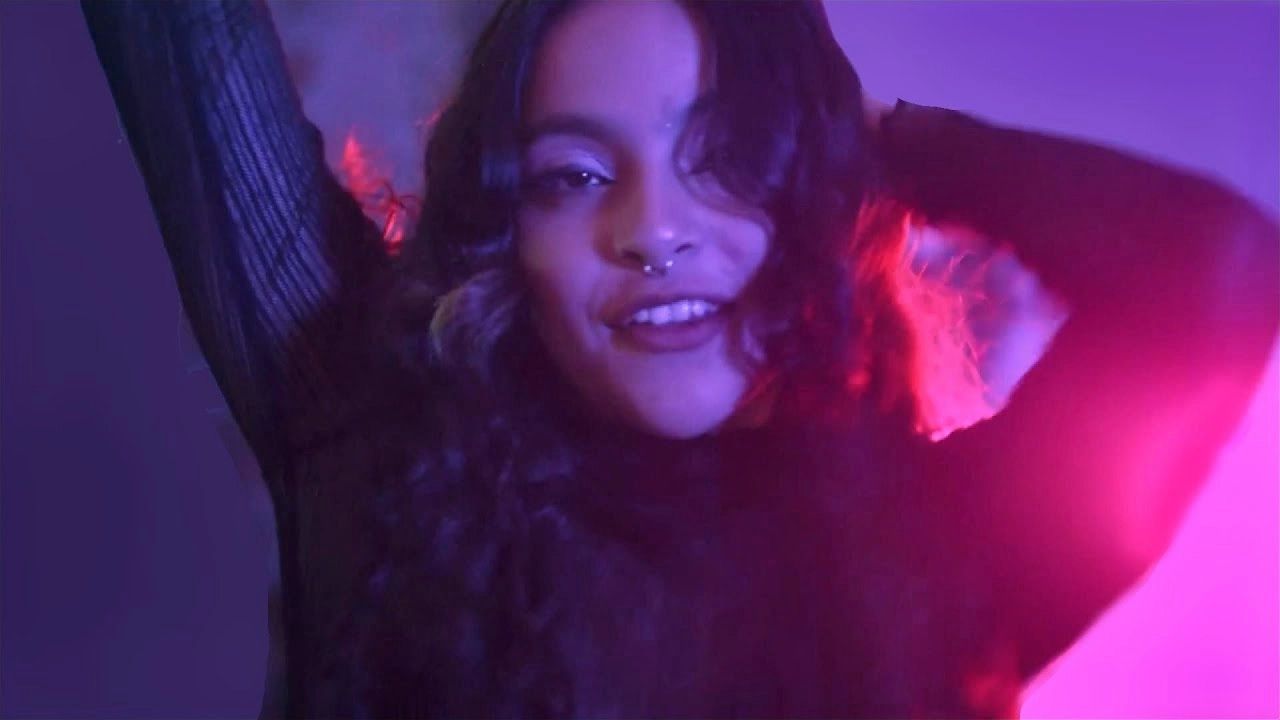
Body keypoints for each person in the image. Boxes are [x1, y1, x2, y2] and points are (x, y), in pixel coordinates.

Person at [82, 0, 1278, 717]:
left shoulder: (951, 546)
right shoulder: (371, 441)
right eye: (573, 174)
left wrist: (870, 137)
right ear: (509, 239)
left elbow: (1216, 272)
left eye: (726, 158)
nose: (652, 229)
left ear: (814, 191)